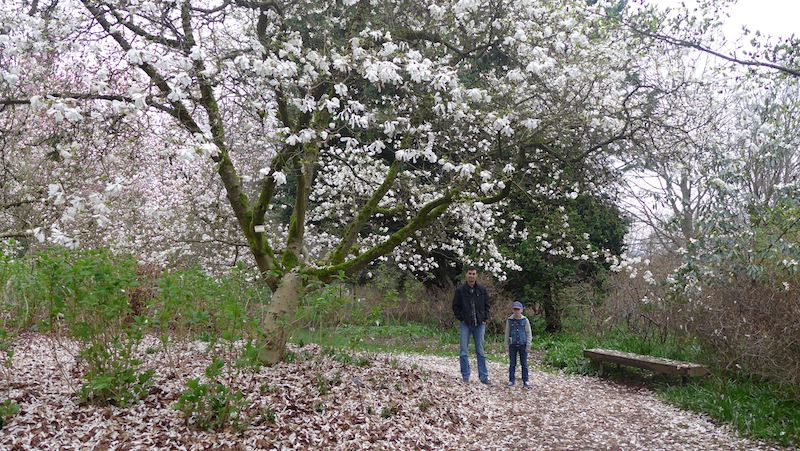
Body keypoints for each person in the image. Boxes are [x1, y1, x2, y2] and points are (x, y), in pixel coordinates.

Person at [452, 266, 491, 384]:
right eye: (470, 273)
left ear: (476, 275)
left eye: (473, 274)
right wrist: (462, 318)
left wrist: (484, 318)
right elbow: (455, 306)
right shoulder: (460, 290)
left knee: (480, 351)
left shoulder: (481, 289)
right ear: (466, 275)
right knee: (463, 351)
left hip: (479, 324)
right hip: (466, 324)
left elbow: (487, 305)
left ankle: (483, 377)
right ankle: (465, 376)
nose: (471, 276)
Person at [504, 300, 532, 388]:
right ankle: (511, 380)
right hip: (512, 344)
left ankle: (526, 380)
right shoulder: (509, 320)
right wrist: (506, 345)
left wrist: (528, 345)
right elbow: (507, 333)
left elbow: (528, 333)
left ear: (521, 310)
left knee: (524, 363)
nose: (516, 311)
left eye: (518, 309)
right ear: (513, 310)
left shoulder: (525, 320)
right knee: (512, 363)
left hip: (523, 344)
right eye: (515, 309)